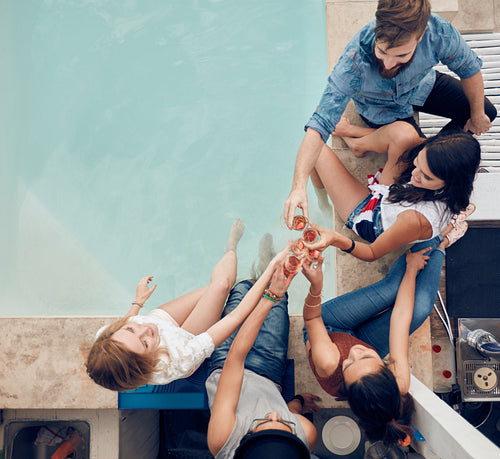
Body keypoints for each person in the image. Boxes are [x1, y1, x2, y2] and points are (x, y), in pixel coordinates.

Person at [284, 0, 496, 225]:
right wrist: (298, 186)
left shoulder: (438, 32)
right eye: (382, 51)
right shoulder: (353, 62)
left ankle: (366, 140)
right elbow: (319, 125)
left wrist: (478, 114)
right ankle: (366, 141)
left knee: (485, 112)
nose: (388, 64)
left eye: (402, 56)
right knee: (418, 169)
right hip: (381, 109)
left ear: (422, 33)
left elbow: (469, 69)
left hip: (420, 87)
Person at [86, 219, 278, 391]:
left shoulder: (106, 342)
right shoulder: (178, 359)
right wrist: (272, 268)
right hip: (182, 340)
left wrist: (138, 302)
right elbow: (236, 317)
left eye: (130, 329)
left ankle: (229, 253)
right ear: (146, 363)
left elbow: (129, 323)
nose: (146, 329)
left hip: (164, 323)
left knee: (212, 291)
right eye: (144, 343)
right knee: (221, 286)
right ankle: (234, 249)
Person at [301, 247, 431, 447]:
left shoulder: (327, 360)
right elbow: (401, 317)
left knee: (392, 288)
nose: (354, 352)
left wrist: (316, 286)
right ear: (387, 372)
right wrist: (412, 269)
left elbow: (312, 317)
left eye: (348, 365)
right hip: (362, 341)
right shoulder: (397, 384)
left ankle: (437, 233)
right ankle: (441, 243)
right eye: (366, 358)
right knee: (419, 307)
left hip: (327, 328)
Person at [206, 242, 320, 458]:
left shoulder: (223, 439)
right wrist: (297, 403)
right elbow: (290, 413)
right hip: (268, 372)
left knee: (242, 290)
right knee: (281, 298)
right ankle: (268, 264)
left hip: (227, 362)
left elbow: (236, 357)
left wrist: (270, 296)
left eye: (265, 420)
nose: (276, 413)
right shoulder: (306, 434)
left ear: (246, 439)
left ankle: (231, 246)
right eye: (285, 424)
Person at [300, 131, 480, 261]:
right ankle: (354, 140)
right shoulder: (452, 184)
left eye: (426, 176)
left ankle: (322, 202)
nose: (414, 174)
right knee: (404, 134)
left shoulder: (415, 220)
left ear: (450, 182)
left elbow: (371, 253)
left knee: (316, 148)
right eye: (417, 163)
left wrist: (336, 239)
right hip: (394, 198)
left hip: (372, 219)